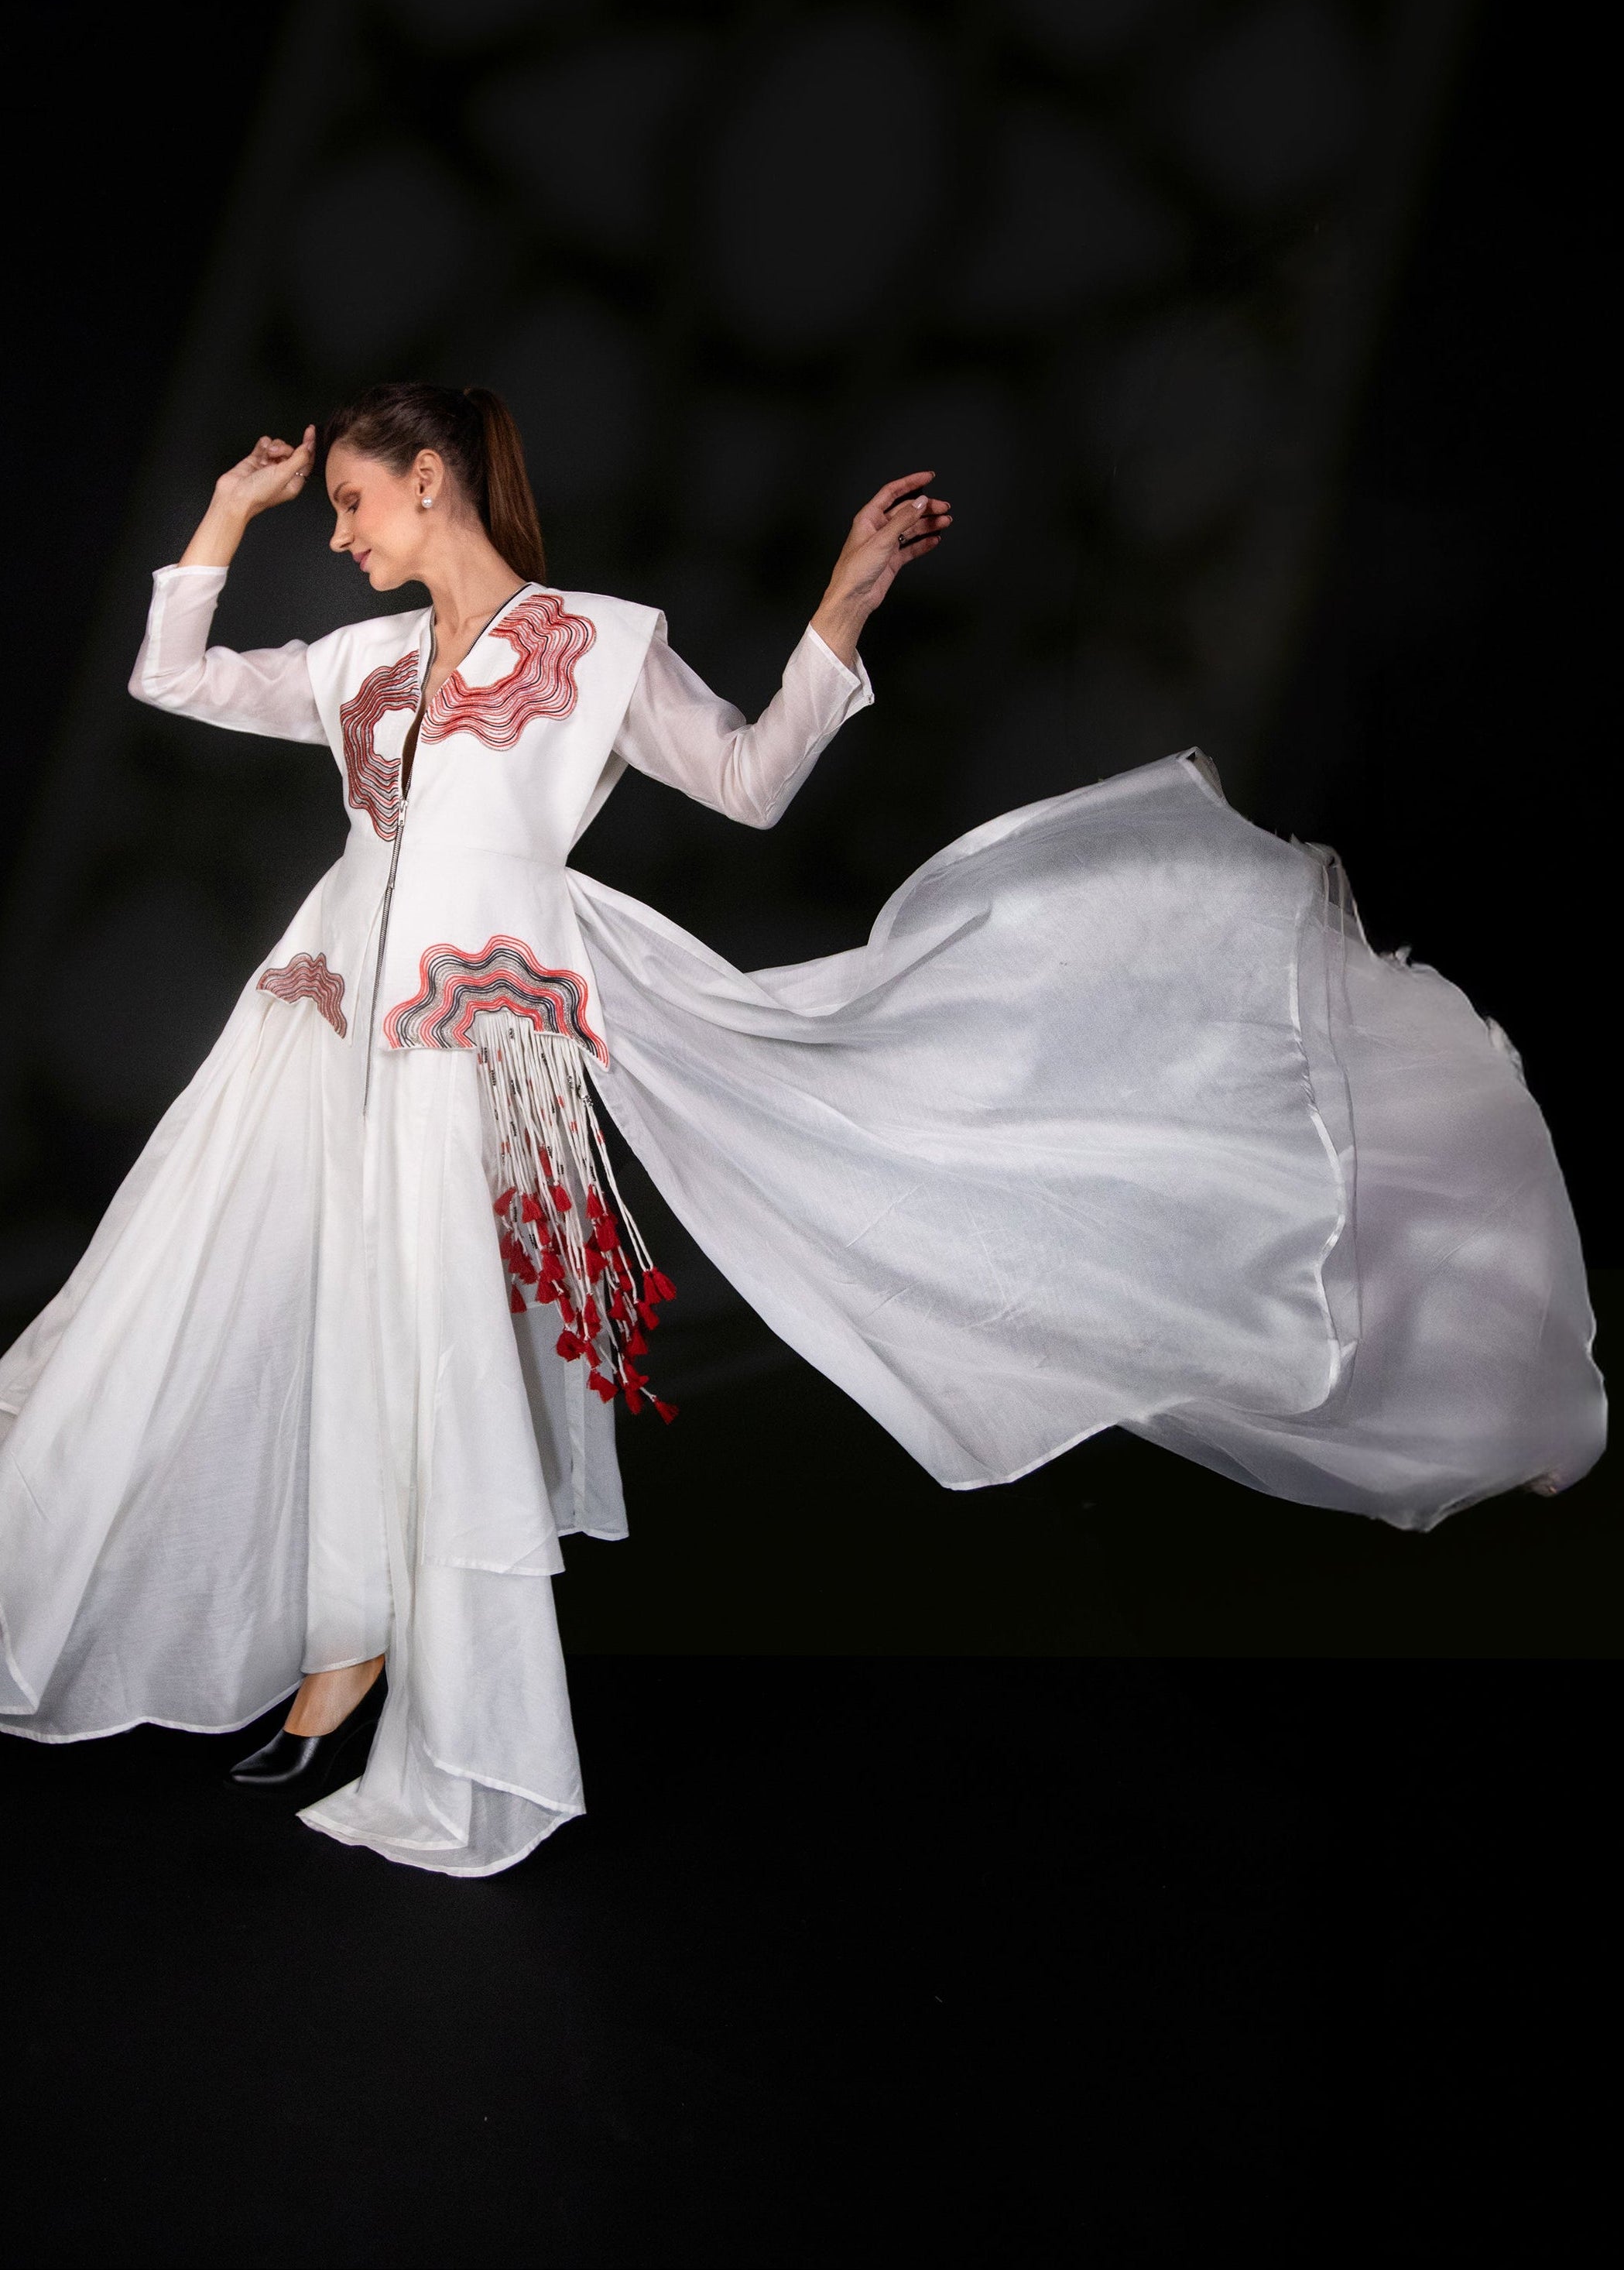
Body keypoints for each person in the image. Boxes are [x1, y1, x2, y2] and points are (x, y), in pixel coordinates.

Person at [0, 385, 1603, 1876]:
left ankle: (423, 1700)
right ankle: (341, 1647)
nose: (336, 535)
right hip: (327, 1022)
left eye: (350, 501)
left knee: (425, 1338)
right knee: (273, 1306)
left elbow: (753, 781)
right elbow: (174, 674)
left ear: (434, 482)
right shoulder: (360, 666)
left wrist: (841, 605)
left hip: (481, 1041)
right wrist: (228, 509)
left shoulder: (599, 646)